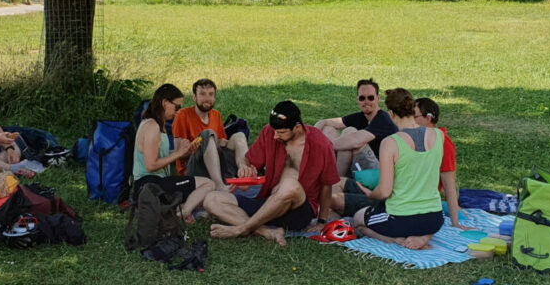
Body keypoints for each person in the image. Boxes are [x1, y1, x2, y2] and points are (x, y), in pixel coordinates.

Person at [204, 101, 339, 246]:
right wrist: (244, 168)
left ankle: (243, 229)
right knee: (211, 199)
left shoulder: (322, 145)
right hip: (269, 203)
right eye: (274, 131)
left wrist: (321, 221)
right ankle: (267, 232)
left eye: (281, 132)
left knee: (290, 185)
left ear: (297, 127)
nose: (275, 136)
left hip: (298, 211)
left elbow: (327, 185)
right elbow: (247, 159)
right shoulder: (269, 132)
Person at [352, 88, 444, 250]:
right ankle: (424, 235)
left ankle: (396, 240)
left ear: (391, 114)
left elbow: (384, 192)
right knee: (421, 221)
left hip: (401, 219)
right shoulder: (438, 135)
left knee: (358, 220)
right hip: (435, 219)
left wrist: (371, 193)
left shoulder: (391, 142)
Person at [132, 83, 214, 223]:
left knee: (202, 190)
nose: (178, 112)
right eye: (177, 107)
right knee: (208, 184)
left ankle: (179, 208)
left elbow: (159, 155)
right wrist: (177, 154)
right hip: (150, 186)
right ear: (164, 103)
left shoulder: (155, 124)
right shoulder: (152, 126)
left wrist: (185, 153)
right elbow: (151, 165)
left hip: (154, 185)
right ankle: (183, 212)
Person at [171, 78, 249, 192]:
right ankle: (218, 185)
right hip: (193, 170)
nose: (207, 98)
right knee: (207, 134)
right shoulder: (182, 115)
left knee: (239, 136)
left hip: (216, 167)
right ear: (194, 97)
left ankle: (244, 173)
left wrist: (222, 142)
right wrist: (195, 146)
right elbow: (178, 154)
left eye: (211, 94)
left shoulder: (216, 115)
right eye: (202, 94)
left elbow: (222, 144)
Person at [315, 78, 399, 177]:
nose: (366, 102)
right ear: (357, 99)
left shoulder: (383, 119)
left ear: (378, 98)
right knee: (327, 129)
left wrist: (322, 146)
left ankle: (336, 180)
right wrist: (312, 134)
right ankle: (330, 174)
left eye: (370, 98)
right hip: (359, 164)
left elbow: (356, 142)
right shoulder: (361, 116)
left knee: (350, 133)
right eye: (362, 98)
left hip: (381, 171)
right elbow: (328, 122)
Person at [415, 97, 468, 229]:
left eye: (414, 116)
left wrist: (455, 222)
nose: (410, 120)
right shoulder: (412, 137)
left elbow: (449, 185)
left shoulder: (443, 143)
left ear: (428, 119)